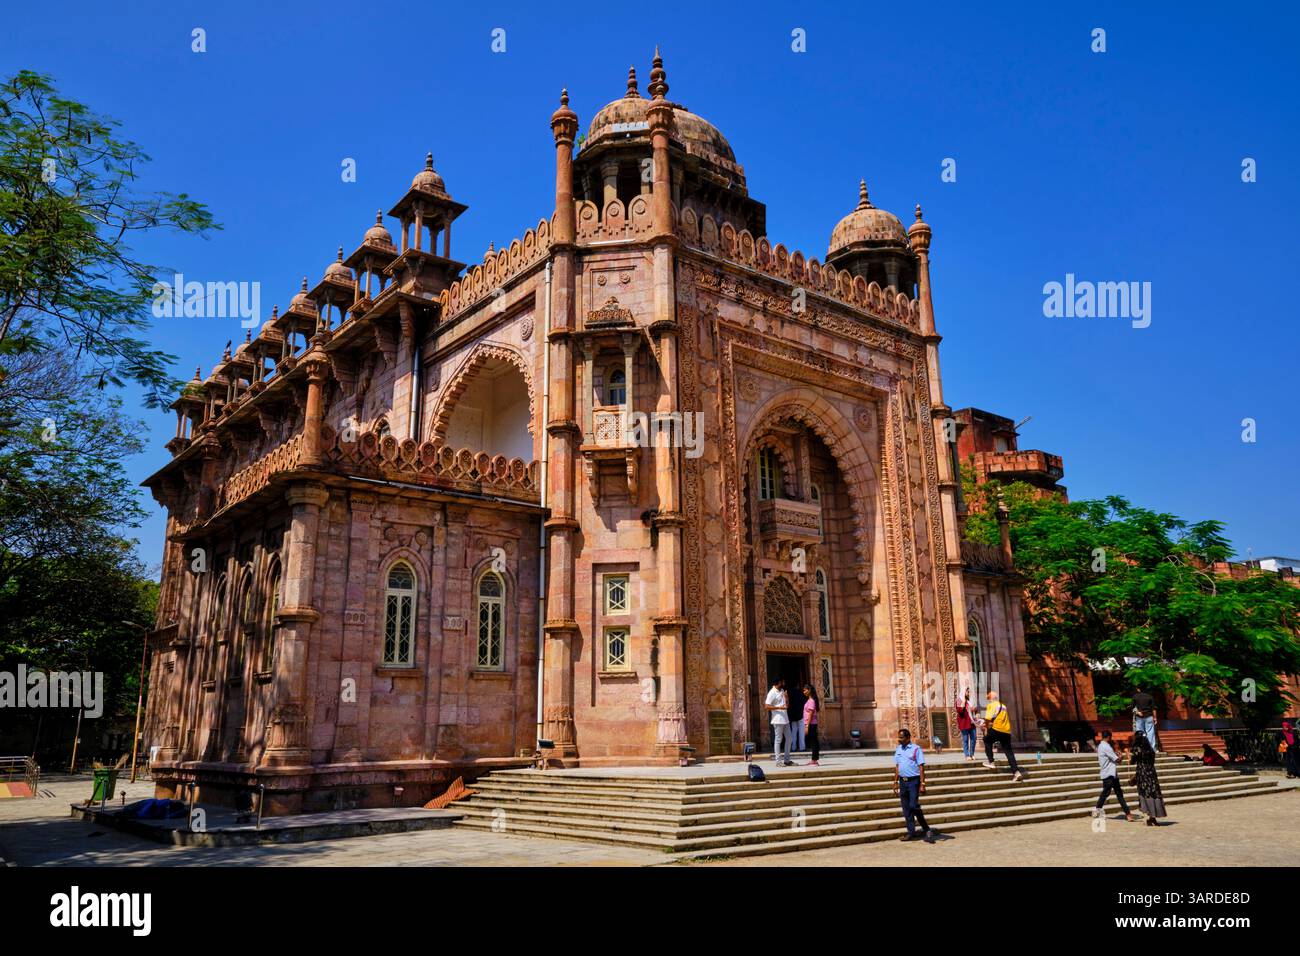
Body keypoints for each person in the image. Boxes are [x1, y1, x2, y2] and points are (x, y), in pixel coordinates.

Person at [893, 729, 935, 843]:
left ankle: (926, 829)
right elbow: (897, 766)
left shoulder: (916, 749)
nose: (899, 739)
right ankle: (911, 833)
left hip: (914, 781)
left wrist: (923, 783)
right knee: (906, 808)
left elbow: (921, 766)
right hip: (903, 781)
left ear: (908, 738)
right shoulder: (898, 749)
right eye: (899, 737)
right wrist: (895, 782)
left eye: (901, 737)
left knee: (913, 805)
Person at [981, 691, 1024, 782]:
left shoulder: (991, 705)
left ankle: (991, 762)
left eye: (988, 699)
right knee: (1009, 752)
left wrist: (984, 725)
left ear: (990, 699)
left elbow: (988, 719)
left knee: (986, 740)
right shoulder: (1003, 706)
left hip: (997, 729)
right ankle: (1016, 772)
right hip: (1006, 731)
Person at [1093, 730, 1134, 821]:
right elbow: (1117, 760)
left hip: (1111, 773)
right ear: (1108, 737)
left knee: (1117, 794)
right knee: (1107, 793)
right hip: (1109, 774)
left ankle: (1128, 813)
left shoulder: (1101, 746)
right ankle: (1097, 810)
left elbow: (1111, 757)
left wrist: (1117, 755)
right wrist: (1122, 756)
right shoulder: (1106, 746)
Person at [1129, 732, 1166, 826]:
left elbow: (1132, 762)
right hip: (1152, 774)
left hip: (1142, 774)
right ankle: (1152, 818)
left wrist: (1128, 755)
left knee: (1145, 794)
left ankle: (1149, 816)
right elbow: (1152, 761)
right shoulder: (1150, 750)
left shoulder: (1137, 749)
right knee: (1153, 793)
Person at [765, 678, 792, 766]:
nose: (784, 683)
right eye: (783, 682)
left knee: (789, 738)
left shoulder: (782, 691)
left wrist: (787, 697)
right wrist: (779, 708)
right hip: (777, 719)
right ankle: (778, 761)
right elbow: (767, 706)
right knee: (778, 740)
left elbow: (787, 706)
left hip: (785, 719)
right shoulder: (772, 692)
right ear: (779, 682)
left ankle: (787, 760)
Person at [1131, 687, 1158, 751]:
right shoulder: (1150, 696)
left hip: (1139, 717)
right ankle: (1152, 749)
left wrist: (1137, 712)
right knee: (1150, 732)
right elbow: (1154, 708)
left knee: (1140, 733)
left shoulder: (1135, 696)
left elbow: (1132, 708)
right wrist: (1155, 718)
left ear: (1139, 689)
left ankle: (1141, 748)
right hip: (1149, 716)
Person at [955, 686, 978, 761]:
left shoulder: (969, 701)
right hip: (964, 723)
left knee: (974, 738)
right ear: (964, 692)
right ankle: (967, 755)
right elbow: (960, 711)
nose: (969, 693)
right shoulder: (959, 700)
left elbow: (974, 710)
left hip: (971, 723)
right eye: (967, 692)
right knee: (965, 739)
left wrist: (974, 710)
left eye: (969, 692)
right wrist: (964, 702)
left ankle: (972, 754)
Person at [801, 683, 820, 766]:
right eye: (803, 690)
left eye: (805, 690)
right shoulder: (810, 700)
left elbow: (810, 714)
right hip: (811, 724)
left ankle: (814, 760)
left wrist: (807, 726)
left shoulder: (811, 701)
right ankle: (814, 759)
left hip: (811, 724)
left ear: (809, 690)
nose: (804, 692)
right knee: (813, 741)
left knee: (813, 742)